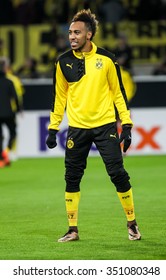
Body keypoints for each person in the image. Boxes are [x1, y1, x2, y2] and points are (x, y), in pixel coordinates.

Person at [46, 9, 141, 242]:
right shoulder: (62, 61)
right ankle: (72, 229)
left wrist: (126, 125)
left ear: (89, 35)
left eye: (76, 32)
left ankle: (132, 222)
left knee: (118, 173)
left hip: (105, 125)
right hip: (77, 128)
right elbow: (59, 98)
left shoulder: (107, 59)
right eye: (70, 33)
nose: (72, 37)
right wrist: (53, 128)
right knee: (72, 177)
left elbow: (119, 93)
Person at [0, 58, 20, 168]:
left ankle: (1, 158)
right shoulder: (9, 82)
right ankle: (6, 152)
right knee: (13, 132)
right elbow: (15, 97)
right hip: (8, 113)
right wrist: (18, 109)